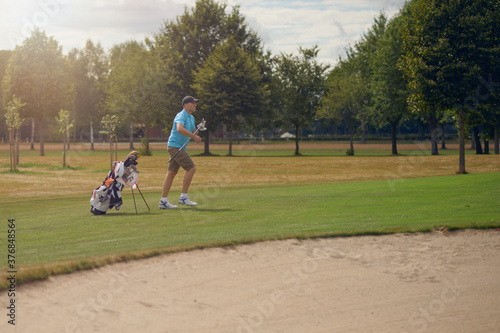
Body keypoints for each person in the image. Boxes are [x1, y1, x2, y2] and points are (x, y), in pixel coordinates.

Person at [159, 96, 202, 209]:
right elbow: (180, 129)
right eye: (193, 103)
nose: (195, 105)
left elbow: (191, 131)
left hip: (178, 147)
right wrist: (194, 136)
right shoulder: (181, 115)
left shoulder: (191, 117)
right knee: (191, 168)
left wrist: (199, 128)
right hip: (175, 147)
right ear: (186, 105)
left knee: (171, 173)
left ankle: (163, 201)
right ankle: (183, 197)